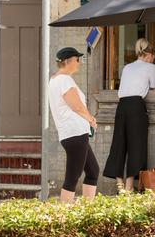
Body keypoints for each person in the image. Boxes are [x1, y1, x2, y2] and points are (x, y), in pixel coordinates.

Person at [103, 38, 155, 192]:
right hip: (137, 106)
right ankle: (130, 186)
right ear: (150, 55)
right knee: (136, 145)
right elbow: (153, 90)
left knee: (119, 144)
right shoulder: (151, 67)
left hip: (122, 106)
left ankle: (120, 186)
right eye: (153, 56)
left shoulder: (127, 68)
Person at [48, 47, 99, 203]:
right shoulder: (64, 80)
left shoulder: (55, 79)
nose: (79, 63)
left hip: (73, 134)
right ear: (67, 61)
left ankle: (88, 212)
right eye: (78, 60)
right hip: (75, 133)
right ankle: (65, 218)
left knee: (93, 171)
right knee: (72, 177)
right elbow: (76, 106)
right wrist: (91, 119)